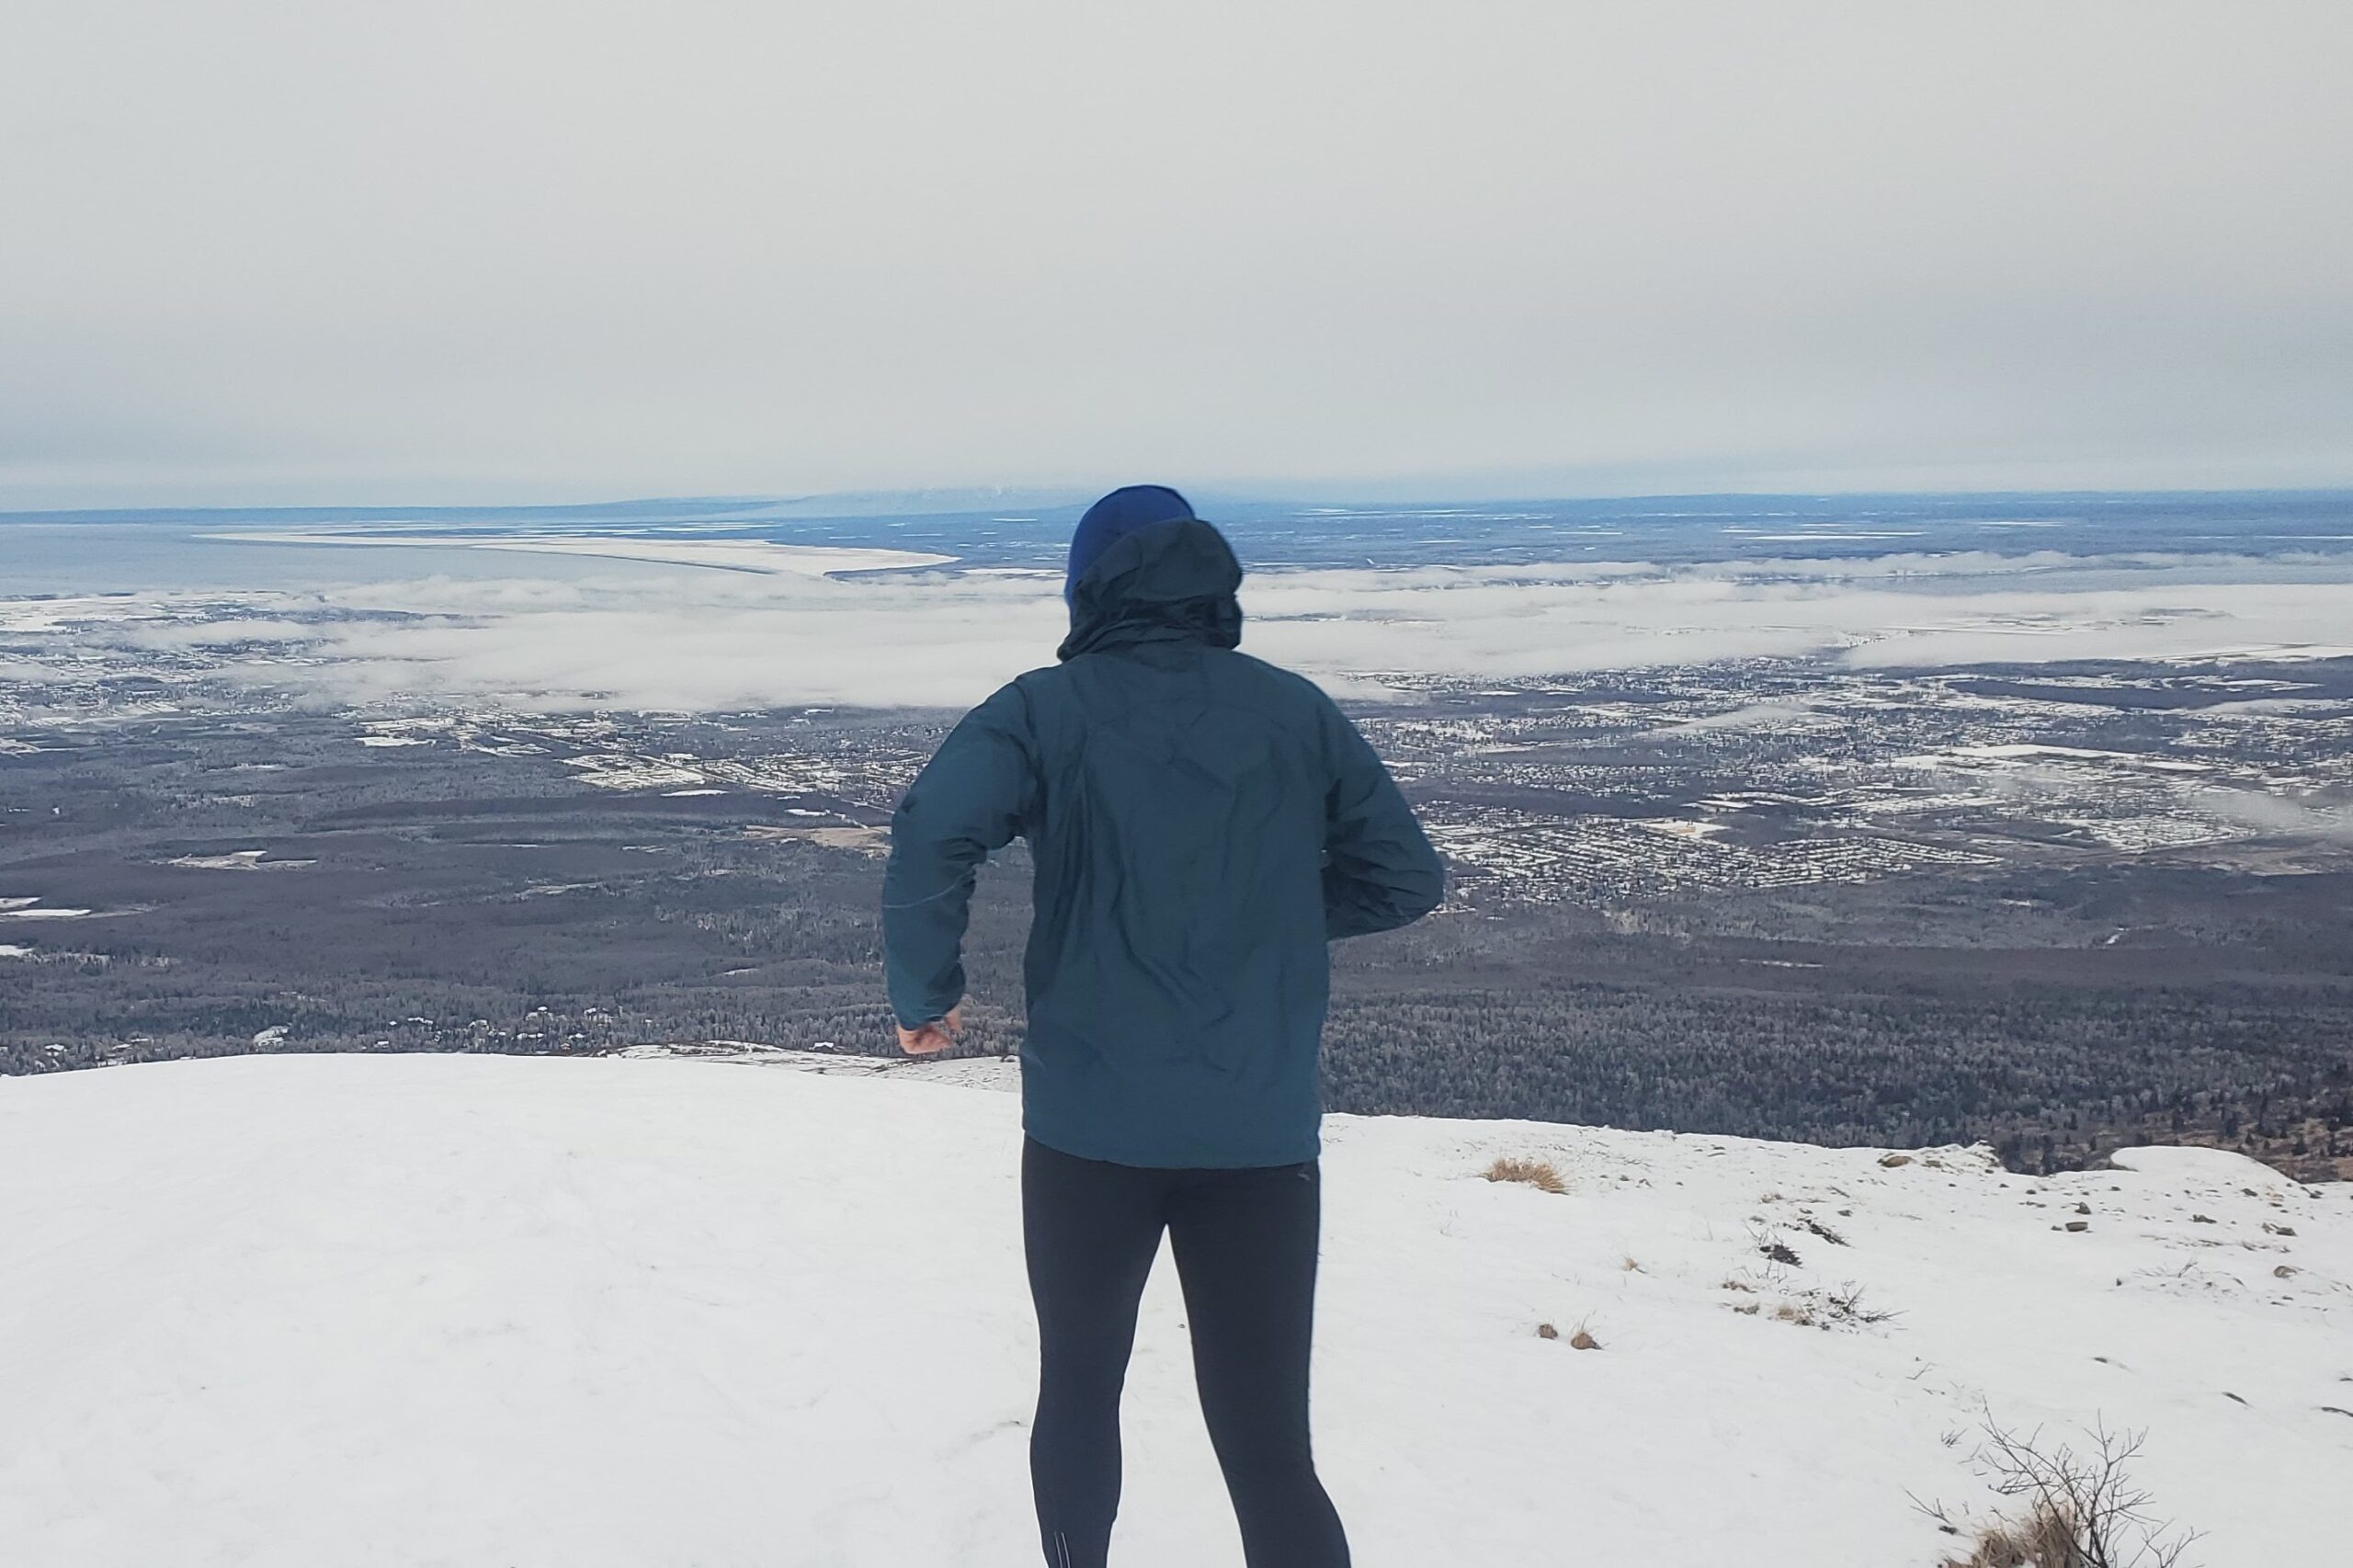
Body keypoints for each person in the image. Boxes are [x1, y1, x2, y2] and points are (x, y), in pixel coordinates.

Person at [881, 483, 1444, 1568]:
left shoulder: (1045, 707)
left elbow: (929, 839)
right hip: (1260, 1134)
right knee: (1270, 1444)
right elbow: (1406, 877)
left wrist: (924, 997)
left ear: (1087, 586)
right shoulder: (1294, 710)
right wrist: (1269, 916)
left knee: (1080, 1389)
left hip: (1090, 1127)